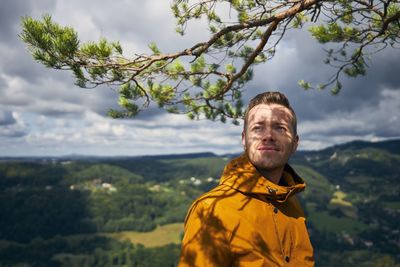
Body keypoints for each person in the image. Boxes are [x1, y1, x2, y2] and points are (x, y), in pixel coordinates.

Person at [179, 92, 314, 266]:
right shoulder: (211, 209)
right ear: (244, 139)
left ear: (295, 143)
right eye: (258, 128)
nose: (268, 136)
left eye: (280, 128)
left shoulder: (291, 203)